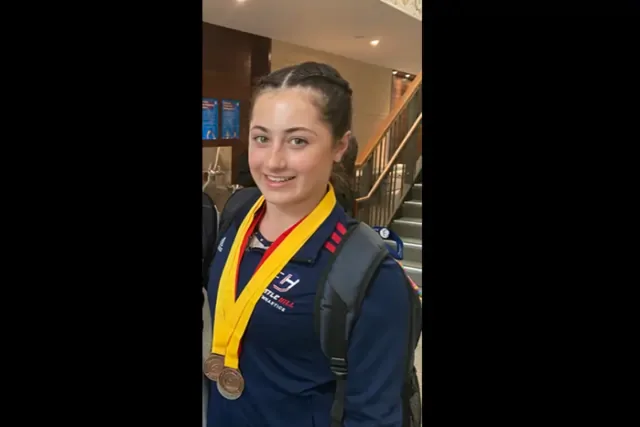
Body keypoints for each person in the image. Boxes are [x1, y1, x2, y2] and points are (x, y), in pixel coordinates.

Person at [204, 62, 411, 427]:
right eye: (261, 137)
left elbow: (374, 418)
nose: (273, 161)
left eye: (298, 140)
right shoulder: (238, 213)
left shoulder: (372, 278)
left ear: (340, 146)